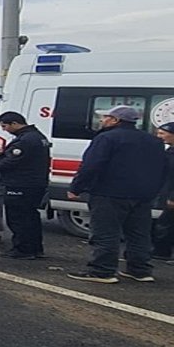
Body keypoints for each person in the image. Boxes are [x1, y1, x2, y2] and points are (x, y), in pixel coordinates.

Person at [66, 106, 168, 283]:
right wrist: (154, 190)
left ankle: (102, 271)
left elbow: (91, 165)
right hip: (143, 195)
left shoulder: (106, 138)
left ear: (115, 120)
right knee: (139, 234)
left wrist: (76, 188)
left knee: (106, 233)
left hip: (109, 192)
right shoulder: (153, 140)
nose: (102, 120)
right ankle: (140, 270)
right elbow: (163, 169)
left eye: (105, 117)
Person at [0, 111, 52, 260]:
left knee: (18, 218)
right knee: (31, 217)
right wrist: (3, 153)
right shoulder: (37, 136)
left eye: (5, 126)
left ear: (15, 123)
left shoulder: (25, 140)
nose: (4, 130)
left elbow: (11, 162)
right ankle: (35, 248)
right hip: (34, 183)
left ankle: (23, 249)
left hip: (20, 184)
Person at [150, 122, 174, 262]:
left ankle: (161, 252)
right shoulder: (169, 150)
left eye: (162, 133)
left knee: (164, 224)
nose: (159, 136)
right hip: (167, 191)